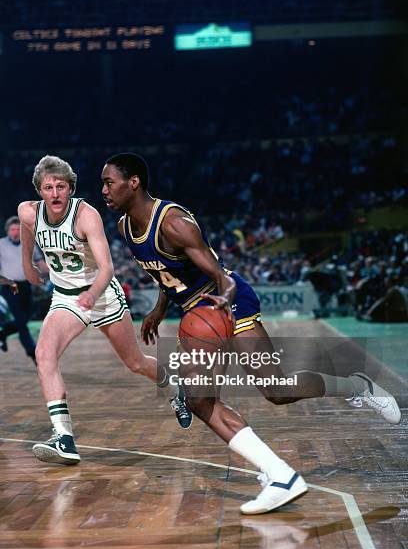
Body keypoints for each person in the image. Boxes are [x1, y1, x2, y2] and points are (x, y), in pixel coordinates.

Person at [101, 152, 401, 515]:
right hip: (198, 309)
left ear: (133, 182)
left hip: (227, 302)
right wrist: (160, 309)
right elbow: (167, 272)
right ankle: (288, 465)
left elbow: (220, 277)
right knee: (256, 393)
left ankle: (348, 399)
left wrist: (224, 297)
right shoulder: (123, 227)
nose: (104, 189)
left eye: (109, 182)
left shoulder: (174, 222)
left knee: (237, 394)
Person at [18, 155, 192, 466]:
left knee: (135, 363)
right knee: (44, 355)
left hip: (101, 296)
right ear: (39, 191)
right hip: (66, 298)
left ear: (71, 188)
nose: (55, 193)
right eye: (48, 187)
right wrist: (27, 264)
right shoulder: (28, 211)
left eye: (61, 186)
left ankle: (176, 389)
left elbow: (107, 267)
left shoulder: (86, 215)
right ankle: (64, 438)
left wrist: (93, 293)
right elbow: (28, 230)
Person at [0, 216, 46, 359]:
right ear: (7, 231)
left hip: (26, 285)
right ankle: (32, 352)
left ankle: (3, 333)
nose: (15, 232)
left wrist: (55, 272)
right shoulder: (1, 244)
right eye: (12, 229)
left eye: (17, 230)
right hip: (9, 285)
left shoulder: (29, 243)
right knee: (21, 320)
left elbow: (39, 262)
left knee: (24, 319)